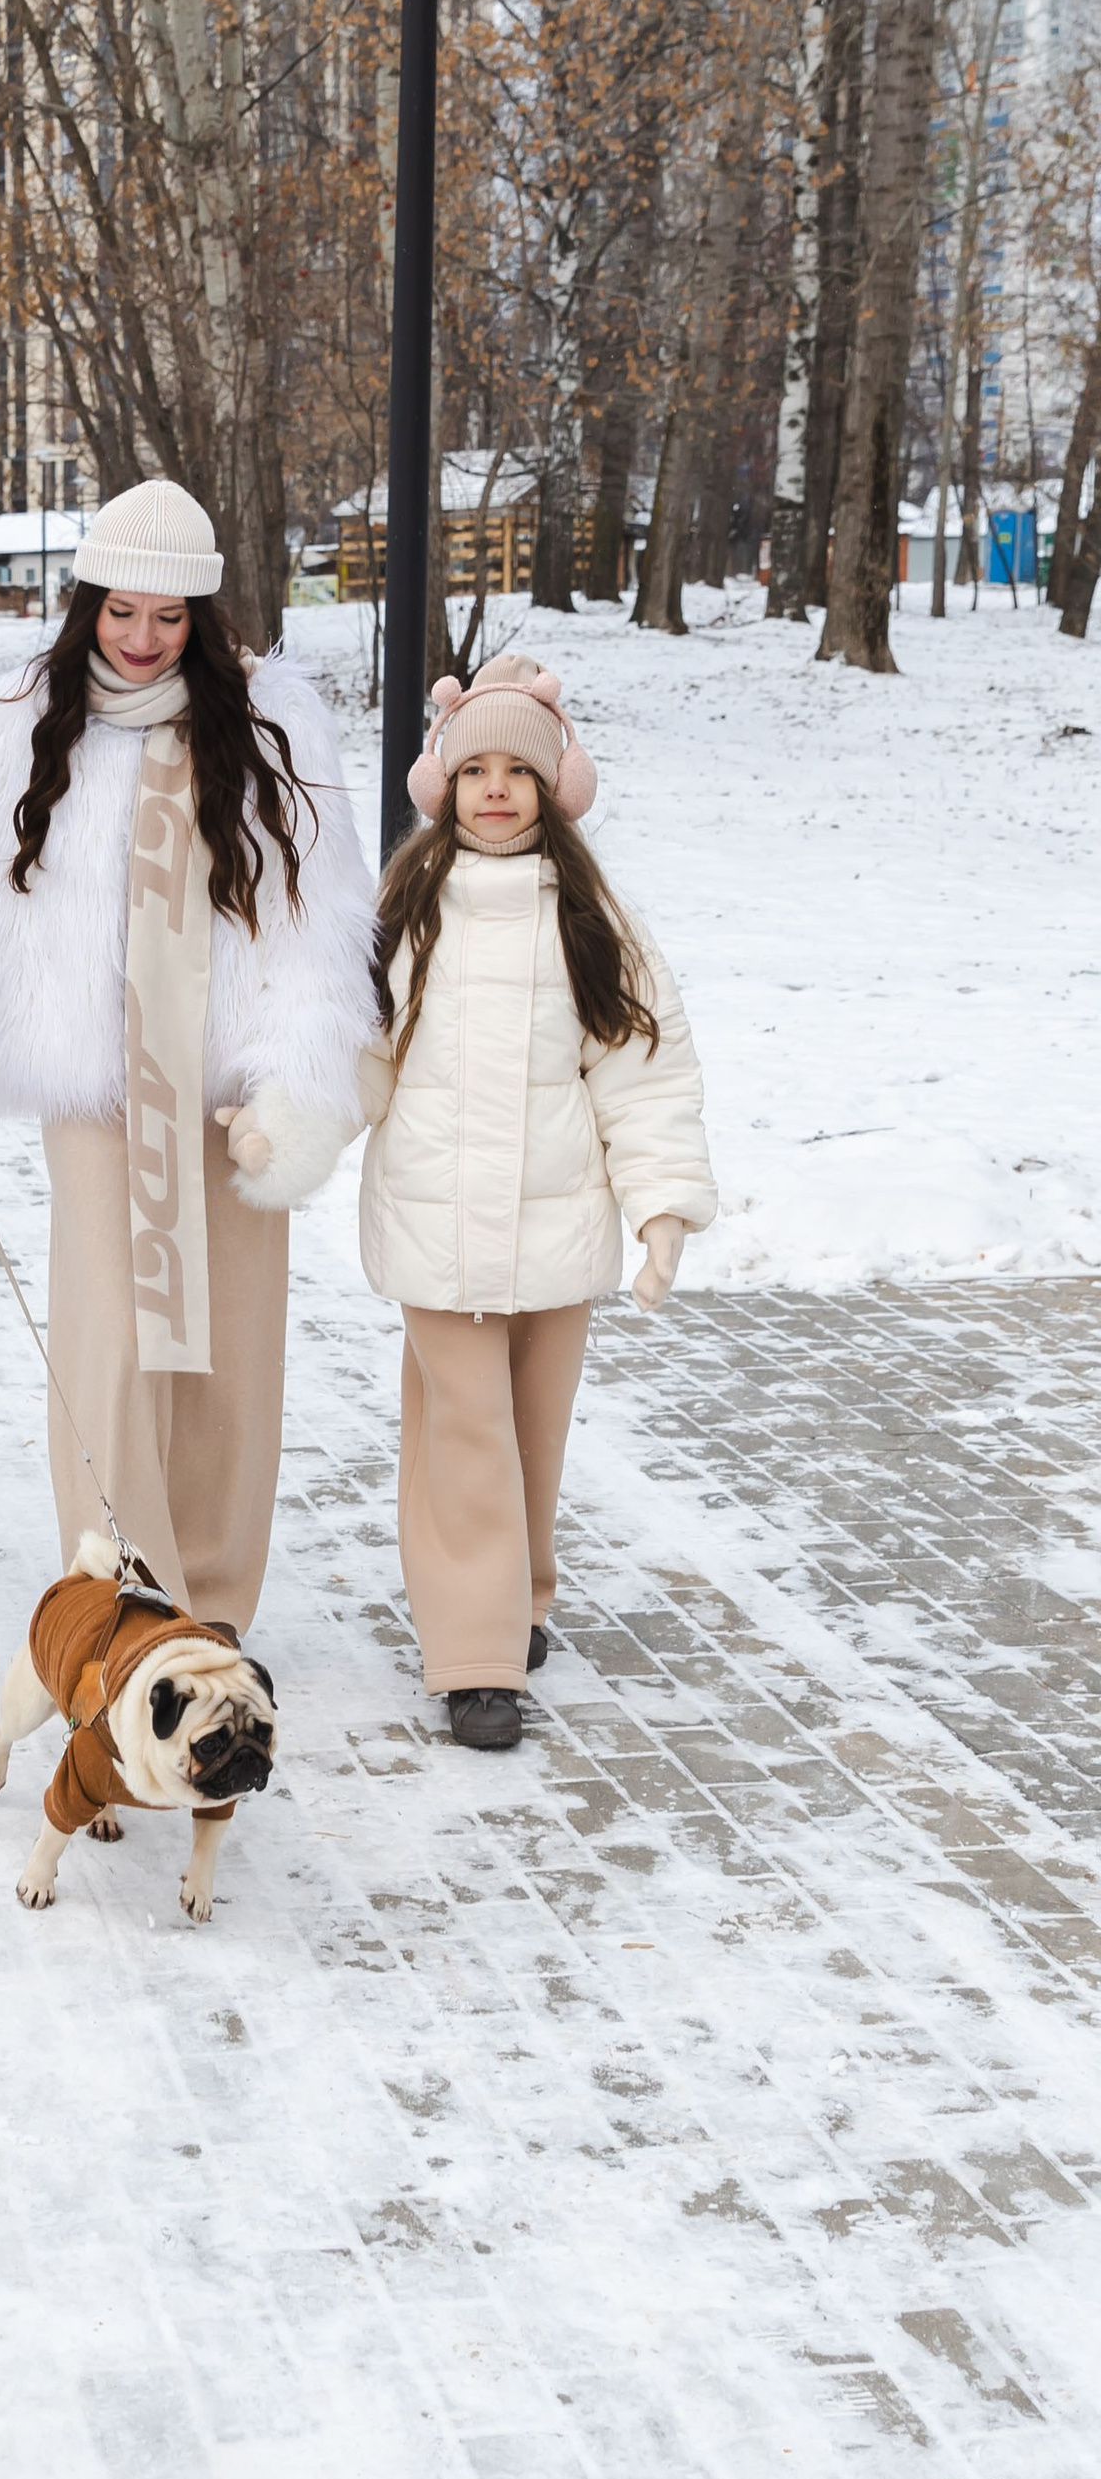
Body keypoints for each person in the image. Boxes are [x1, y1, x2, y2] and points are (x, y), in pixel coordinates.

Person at [0, 481, 376, 1631]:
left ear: (203, 617)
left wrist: (293, 1075)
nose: (140, 639)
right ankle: (121, 1596)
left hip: (230, 1085)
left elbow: (318, 916)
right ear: (88, 603)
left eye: (168, 617)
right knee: (114, 1345)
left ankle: (214, 1602)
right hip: (92, 1084)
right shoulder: (19, 716)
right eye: (121, 611)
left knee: (227, 1349)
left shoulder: (275, 720)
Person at [362, 654, 716, 1750]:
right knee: (465, 1432)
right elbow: (356, 1047)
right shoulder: (408, 903)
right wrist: (288, 1120)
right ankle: (475, 1658)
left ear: (557, 786)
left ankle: (519, 1598)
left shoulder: (592, 916)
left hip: (558, 1226)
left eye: (523, 768)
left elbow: (641, 1068)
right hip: (433, 1220)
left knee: (531, 1433)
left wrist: (659, 1206)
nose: (499, 788)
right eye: (478, 769)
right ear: (445, 783)